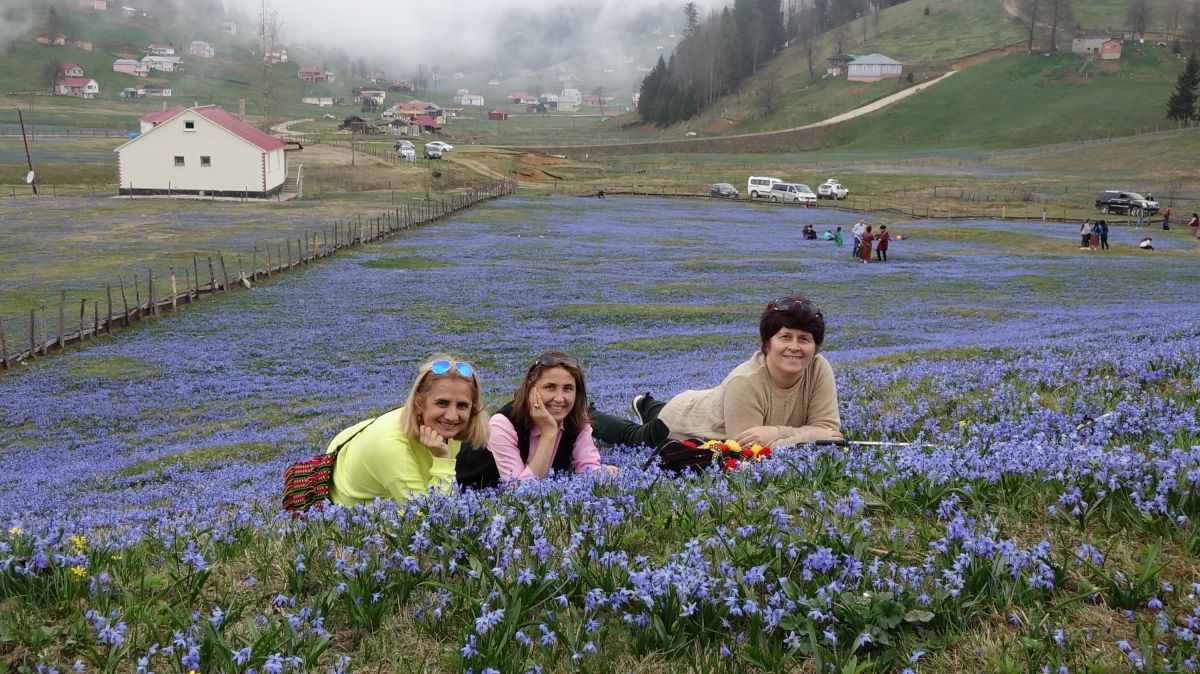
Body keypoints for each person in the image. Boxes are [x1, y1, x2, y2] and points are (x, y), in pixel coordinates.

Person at [590, 295, 843, 450]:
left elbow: (830, 432)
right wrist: (807, 435)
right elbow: (745, 448)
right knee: (633, 437)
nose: (794, 347)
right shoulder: (745, 381)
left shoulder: (819, 369)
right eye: (785, 337)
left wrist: (775, 433)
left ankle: (647, 403)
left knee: (663, 409)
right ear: (767, 344)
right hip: (682, 421)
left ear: (816, 346)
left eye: (804, 339)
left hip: (709, 403)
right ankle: (588, 414)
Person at [325, 354, 489, 505]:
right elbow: (431, 516)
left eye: (462, 405)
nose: (452, 416)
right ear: (419, 403)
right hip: (352, 513)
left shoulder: (444, 430)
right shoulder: (391, 446)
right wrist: (443, 459)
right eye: (442, 403)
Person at [457, 350, 617, 488]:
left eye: (568, 389)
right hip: (468, 498)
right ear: (530, 390)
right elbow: (521, 492)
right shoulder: (503, 424)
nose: (560, 398)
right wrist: (549, 432)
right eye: (550, 387)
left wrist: (603, 474)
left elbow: (587, 468)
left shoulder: (576, 420)